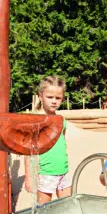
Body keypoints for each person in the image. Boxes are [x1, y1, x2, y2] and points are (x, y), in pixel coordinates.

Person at [25, 76, 71, 204]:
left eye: (58, 98)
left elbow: (63, 143)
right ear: (40, 96)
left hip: (63, 171)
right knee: (44, 211)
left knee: (68, 207)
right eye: (50, 97)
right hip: (45, 173)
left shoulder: (61, 120)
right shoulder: (35, 120)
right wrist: (29, 177)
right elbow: (29, 151)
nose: (54, 101)